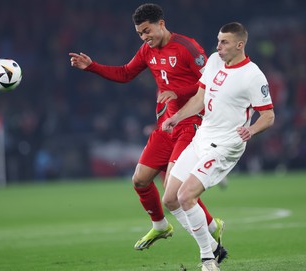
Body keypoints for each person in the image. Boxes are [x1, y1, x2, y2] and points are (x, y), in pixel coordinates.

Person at [69, 3, 226, 259]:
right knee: (140, 180)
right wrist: (93, 66)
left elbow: (210, 85)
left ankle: (210, 245)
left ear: (161, 23)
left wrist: (179, 92)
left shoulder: (188, 48)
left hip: (190, 124)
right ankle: (161, 226)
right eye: (140, 34)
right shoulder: (147, 51)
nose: (145, 37)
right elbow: (125, 73)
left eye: (147, 31)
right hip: (165, 126)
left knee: (173, 193)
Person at [162, 22, 275, 270]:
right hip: (202, 136)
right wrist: (176, 117)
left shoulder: (253, 75)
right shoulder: (214, 61)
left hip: (226, 144)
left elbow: (268, 116)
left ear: (239, 44)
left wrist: (252, 129)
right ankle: (213, 246)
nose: (218, 46)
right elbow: (200, 98)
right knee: (170, 199)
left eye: (224, 42)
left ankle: (208, 259)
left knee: (186, 196)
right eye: (218, 40)